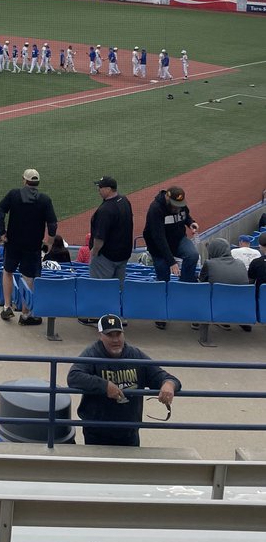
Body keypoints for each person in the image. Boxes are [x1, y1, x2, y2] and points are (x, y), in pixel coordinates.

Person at [67, 314, 180, 447]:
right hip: (97, 432)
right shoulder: (93, 353)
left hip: (129, 432)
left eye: (118, 334)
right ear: (100, 336)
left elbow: (166, 378)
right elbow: (74, 376)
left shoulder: (135, 355)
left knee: (129, 468)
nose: (115, 340)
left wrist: (168, 385)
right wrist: (105, 386)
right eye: (110, 335)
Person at [0, 167, 58, 325]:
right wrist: (49, 243)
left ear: (24, 180)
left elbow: (0, 210)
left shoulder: (14, 195)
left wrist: (2, 232)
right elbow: (52, 224)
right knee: (28, 278)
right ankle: (25, 314)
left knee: (8, 271)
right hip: (33, 246)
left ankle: (7, 306)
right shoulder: (44, 199)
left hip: (13, 243)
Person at [143, 185, 199, 285]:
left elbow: (185, 215)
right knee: (163, 279)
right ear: (167, 198)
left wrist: (190, 223)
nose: (177, 207)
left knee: (193, 255)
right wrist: (172, 262)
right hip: (158, 247)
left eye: (179, 204)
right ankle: (165, 293)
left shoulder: (180, 205)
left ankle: (185, 284)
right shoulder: (155, 209)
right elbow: (159, 238)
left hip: (178, 240)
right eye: (175, 204)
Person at [89, 176, 134, 283]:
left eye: (100, 187)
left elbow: (99, 238)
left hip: (106, 258)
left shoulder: (105, 210)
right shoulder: (124, 200)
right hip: (123, 255)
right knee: (118, 290)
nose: (98, 190)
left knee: (101, 290)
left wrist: (94, 252)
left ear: (108, 189)